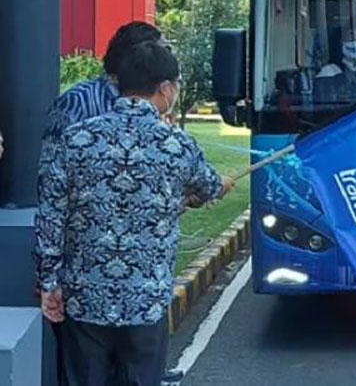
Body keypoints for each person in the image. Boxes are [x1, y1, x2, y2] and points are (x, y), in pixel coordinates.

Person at [35, 42, 235, 386]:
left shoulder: (76, 139)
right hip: (145, 300)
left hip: (84, 297)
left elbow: (50, 216)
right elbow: (207, 188)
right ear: (166, 88)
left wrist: (48, 282)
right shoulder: (176, 145)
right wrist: (220, 186)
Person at [35, 21, 166, 385]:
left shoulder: (154, 112)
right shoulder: (75, 105)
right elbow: (51, 190)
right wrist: (50, 275)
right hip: (84, 278)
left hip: (135, 281)